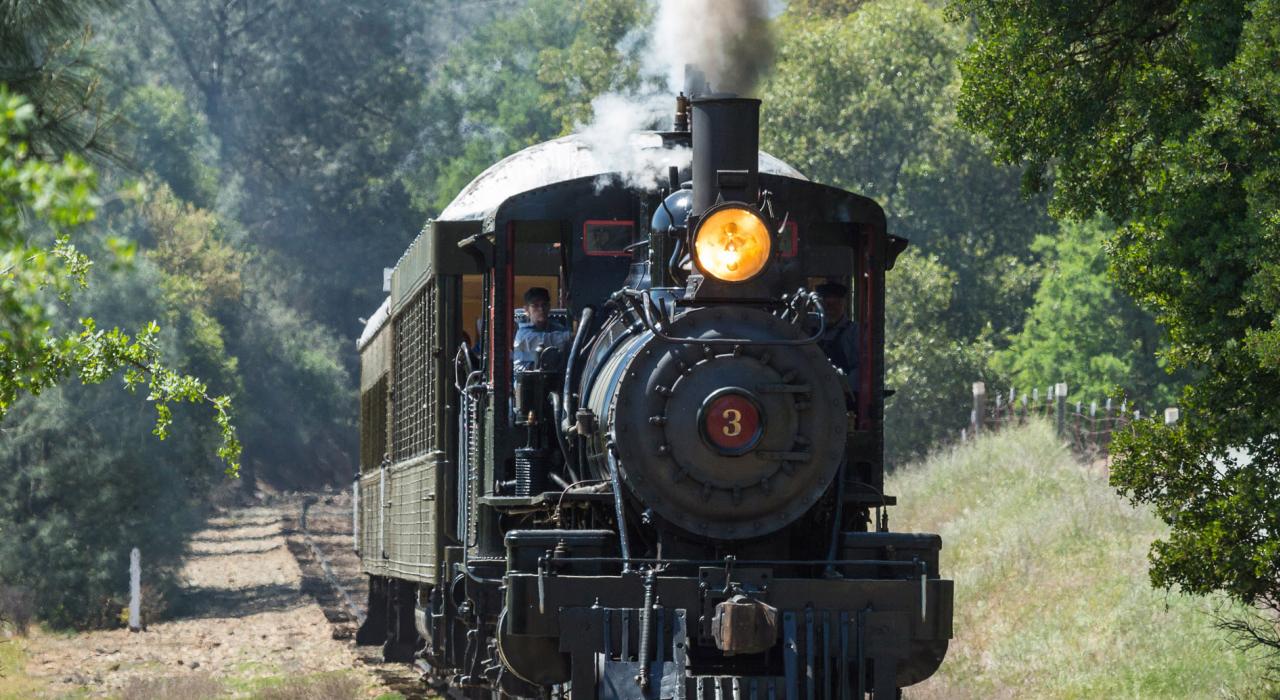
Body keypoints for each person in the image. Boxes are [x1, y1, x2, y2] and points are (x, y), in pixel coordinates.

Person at [513, 287, 573, 372]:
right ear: (527, 310)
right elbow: (542, 339)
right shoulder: (523, 333)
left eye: (544, 304)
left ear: (549, 307)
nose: (541, 309)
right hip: (528, 381)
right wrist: (569, 336)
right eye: (535, 306)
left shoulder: (559, 328)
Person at [814, 281, 860, 375]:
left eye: (836, 304)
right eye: (827, 305)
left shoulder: (854, 331)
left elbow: (860, 368)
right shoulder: (809, 331)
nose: (830, 310)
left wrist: (846, 387)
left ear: (843, 304)